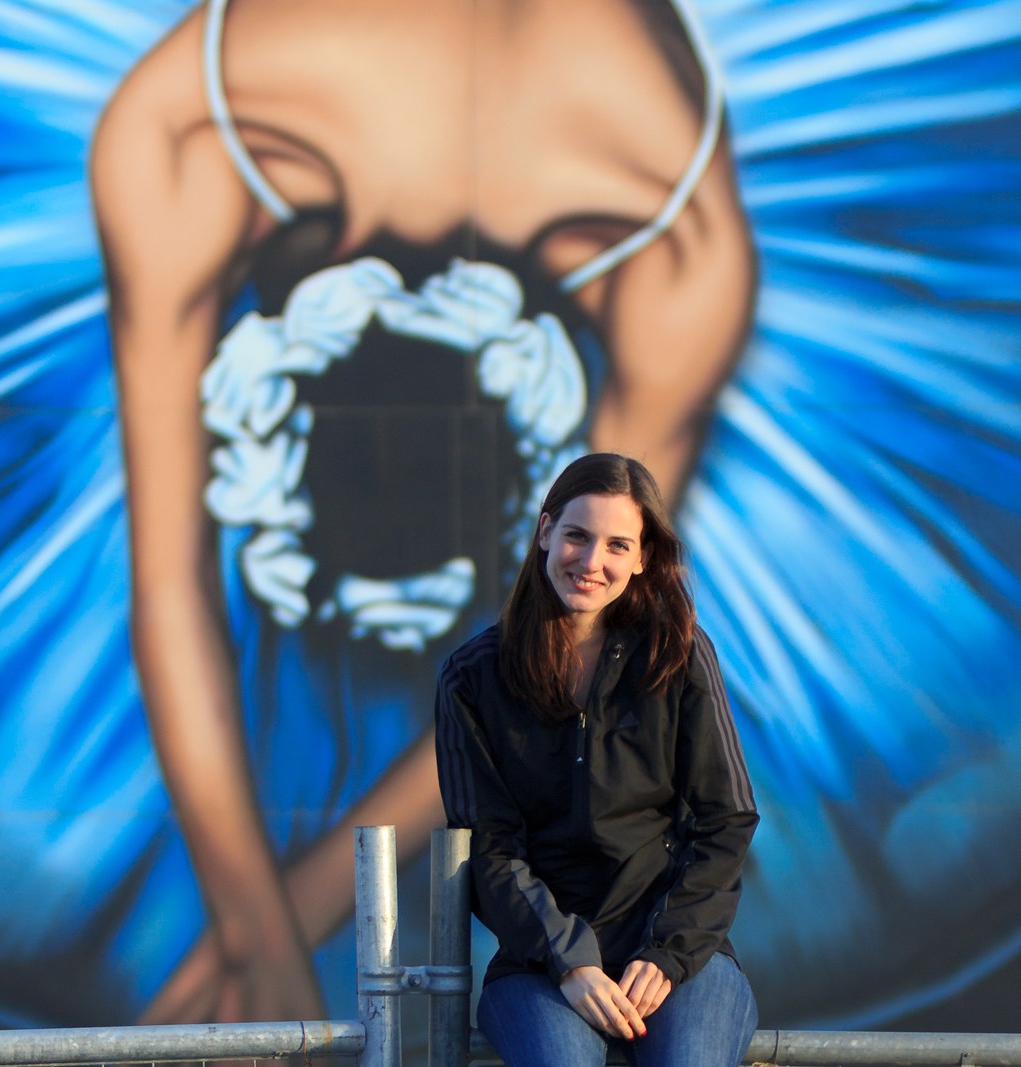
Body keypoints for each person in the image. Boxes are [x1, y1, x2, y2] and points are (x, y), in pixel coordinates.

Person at [90, 0, 755, 1024]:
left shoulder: (189, 128)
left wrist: (258, 939)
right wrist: (261, 936)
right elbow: (173, 590)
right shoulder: (677, 240)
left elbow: (174, 582)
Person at [436, 453, 759, 1067]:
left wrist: (667, 952)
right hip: (538, 966)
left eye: (617, 545)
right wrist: (568, 958)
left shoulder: (680, 653)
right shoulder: (472, 677)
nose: (591, 563)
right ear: (544, 532)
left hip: (677, 958)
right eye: (576, 536)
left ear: (642, 559)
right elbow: (489, 846)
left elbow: (727, 821)